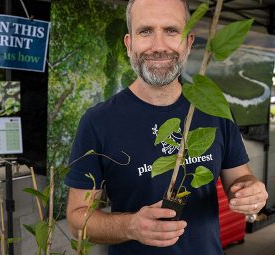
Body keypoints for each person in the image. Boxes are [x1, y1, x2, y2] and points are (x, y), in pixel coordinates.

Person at [65, 0, 268, 254]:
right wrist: (131, 226)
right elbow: (77, 220)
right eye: (145, 31)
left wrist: (251, 190)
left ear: (189, 42)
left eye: (171, 31)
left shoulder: (214, 110)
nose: (159, 46)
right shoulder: (98, 122)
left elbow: (239, 178)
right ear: (129, 44)